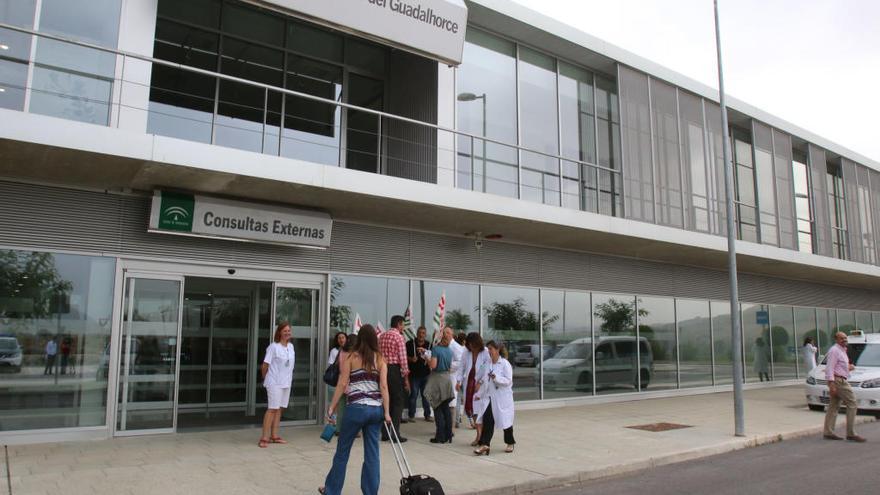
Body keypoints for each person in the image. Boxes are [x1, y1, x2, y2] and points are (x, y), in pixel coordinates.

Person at [319, 325, 391, 495]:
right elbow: (384, 387)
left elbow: (342, 384)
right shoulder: (380, 359)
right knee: (372, 454)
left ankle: (332, 491)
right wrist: (386, 412)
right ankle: (370, 492)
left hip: (356, 409)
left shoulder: (352, 357)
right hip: (375, 410)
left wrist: (332, 407)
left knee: (343, 451)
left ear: (360, 339)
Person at [473, 341, 515, 455]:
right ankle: (485, 445)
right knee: (487, 420)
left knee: (506, 422)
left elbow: (508, 381)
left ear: (497, 350)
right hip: (490, 398)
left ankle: (510, 442)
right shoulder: (488, 363)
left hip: (502, 399)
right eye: (488, 349)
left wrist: (496, 378)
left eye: (491, 349)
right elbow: (484, 380)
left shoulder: (505, 364)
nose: (489, 351)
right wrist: (479, 394)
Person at [258, 321, 295, 448]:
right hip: (274, 382)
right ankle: (264, 437)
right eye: (284, 331)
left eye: (289, 331)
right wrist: (266, 378)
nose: (287, 333)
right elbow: (265, 365)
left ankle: (274, 435)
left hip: (286, 382)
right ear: (279, 332)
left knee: (279, 409)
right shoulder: (273, 347)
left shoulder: (291, 347)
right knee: (272, 409)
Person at [823, 332, 865, 442]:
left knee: (834, 406)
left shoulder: (843, 350)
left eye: (845, 338)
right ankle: (851, 433)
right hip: (839, 381)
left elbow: (839, 366)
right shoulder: (834, 351)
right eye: (841, 338)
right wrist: (831, 385)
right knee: (852, 403)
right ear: (836, 339)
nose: (844, 340)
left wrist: (848, 367)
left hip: (841, 379)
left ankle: (828, 432)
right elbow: (829, 368)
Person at [378, 315, 410, 442]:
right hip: (394, 370)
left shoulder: (382, 336)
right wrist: (406, 377)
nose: (403, 327)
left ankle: (385, 432)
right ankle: (395, 433)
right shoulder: (399, 337)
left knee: (386, 400)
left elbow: (378, 353)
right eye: (403, 325)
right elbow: (403, 359)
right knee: (398, 402)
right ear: (398, 324)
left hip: (383, 368)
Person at [457, 332, 490, 441]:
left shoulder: (485, 352)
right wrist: (459, 381)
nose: (471, 347)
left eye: (472, 344)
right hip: (469, 382)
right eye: (469, 344)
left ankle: (480, 436)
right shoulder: (466, 352)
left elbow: (487, 369)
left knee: (479, 409)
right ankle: (479, 434)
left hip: (482, 384)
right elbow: (461, 367)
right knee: (471, 408)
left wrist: (480, 382)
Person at [424, 330, 455, 443]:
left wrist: (426, 358)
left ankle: (440, 436)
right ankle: (449, 434)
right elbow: (449, 367)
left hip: (437, 379)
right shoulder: (449, 351)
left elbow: (433, 365)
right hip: (447, 379)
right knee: (446, 408)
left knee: (437, 408)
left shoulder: (436, 349)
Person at [406, 326, 432, 423]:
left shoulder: (429, 345)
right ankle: (411, 415)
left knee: (426, 396)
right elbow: (403, 356)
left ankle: (427, 415)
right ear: (417, 333)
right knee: (413, 395)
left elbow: (432, 358)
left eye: (423, 333)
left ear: (425, 334)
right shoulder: (410, 344)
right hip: (414, 375)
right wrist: (411, 359)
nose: (421, 335)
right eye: (420, 333)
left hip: (426, 374)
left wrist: (427, 358)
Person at [446, 327, 465, 428]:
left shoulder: (456, 347)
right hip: (445, 378)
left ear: (452, 334)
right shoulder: (445, 345)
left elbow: (460, 362)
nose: (445, 335)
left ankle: (452, 428)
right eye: (444, 333)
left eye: (448, 333)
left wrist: (447, 366)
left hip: (453, 378)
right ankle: (446, 427)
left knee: (452, 404)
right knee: (446, 403)